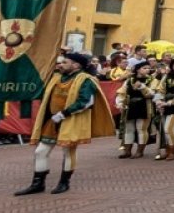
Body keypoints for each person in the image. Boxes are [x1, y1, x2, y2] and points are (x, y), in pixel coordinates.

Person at [15, 52, 113, 196]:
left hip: (71, 120)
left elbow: (86, 102)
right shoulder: (56, 78)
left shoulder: (86, 80)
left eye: (65, 62)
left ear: (76, 65)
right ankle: (38, 183)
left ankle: (64, 182)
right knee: (40, 151)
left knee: (68, 152)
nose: (61, 65)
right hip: (52, 120)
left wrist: (63, 114)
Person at [115, 61, 157, 159]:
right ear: (138, 69)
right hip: (130, 106)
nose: (147, 70)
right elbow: (122, 92)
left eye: (148, 68)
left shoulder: (152, 80)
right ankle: (127, 150)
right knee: (129, 129)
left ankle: (140, 151)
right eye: (144, 68)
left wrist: (142, 86)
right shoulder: (130, 80)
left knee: (141, 129)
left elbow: (152, 93)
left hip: (145, 105)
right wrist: (120, 103)